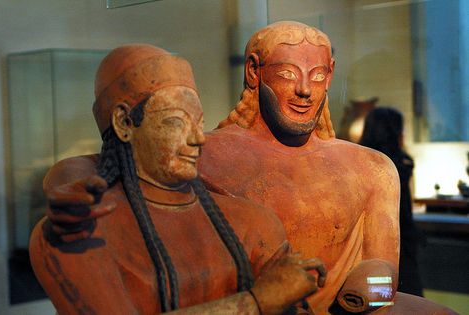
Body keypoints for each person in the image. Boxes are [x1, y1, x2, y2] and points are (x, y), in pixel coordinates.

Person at [40, 23, 456, 314]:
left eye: (317, 75)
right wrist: (68, 182)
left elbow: (389, 284)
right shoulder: (209, 154)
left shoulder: (371, 168)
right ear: (255, 72)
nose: (304, 90)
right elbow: (113, 163)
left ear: (330, 76)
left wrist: (374, 289)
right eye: (289, 74)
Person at [29, 44, 327, 315]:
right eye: (175, 122)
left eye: (199, 122)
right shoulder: (79, 232)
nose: (198, 139)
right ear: (124, 123)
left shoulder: (251, 222)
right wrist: (257, 302)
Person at [359, 107, 424, 297]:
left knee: (378, 298)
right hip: (398, 244)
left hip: (368, 249)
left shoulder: (360, 163)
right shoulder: (399, 166)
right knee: (402, 298)